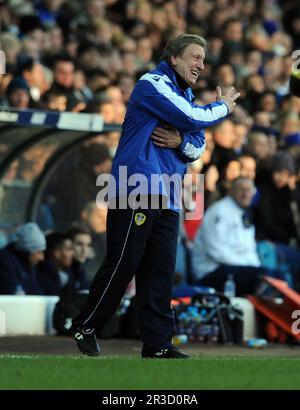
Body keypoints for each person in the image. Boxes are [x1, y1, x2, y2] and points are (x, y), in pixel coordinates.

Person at [72, 33, 239, 359]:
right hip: (136, 186)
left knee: (160, 271)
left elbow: (197, 146)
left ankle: (158, 343)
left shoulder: (185, 96)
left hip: (169, 195)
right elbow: (194, 120)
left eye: (203, 60)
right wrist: (222, 107)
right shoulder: (152, 83)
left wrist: (180, 141)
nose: (200, 65)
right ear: (174, 58)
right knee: (125, 261)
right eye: (194, 57)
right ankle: (86, 324)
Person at [192, 177, 285, 295]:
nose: (247, 194)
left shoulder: (243, 213)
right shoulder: (219, 211)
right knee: (263, 278)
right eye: (242, 190)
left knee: (277, 276)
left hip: (239, 270)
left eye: (250, 190)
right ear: (232, 191)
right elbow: (216, 252)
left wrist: (255, 267)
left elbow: (250, 250)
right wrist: (251, 268)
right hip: (212, 272)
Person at [0, 223, 46, 295]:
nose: (42, 258)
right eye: (39, 252)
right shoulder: (5, 264)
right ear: (27, 252)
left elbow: (36, 292)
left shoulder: (28, 265)